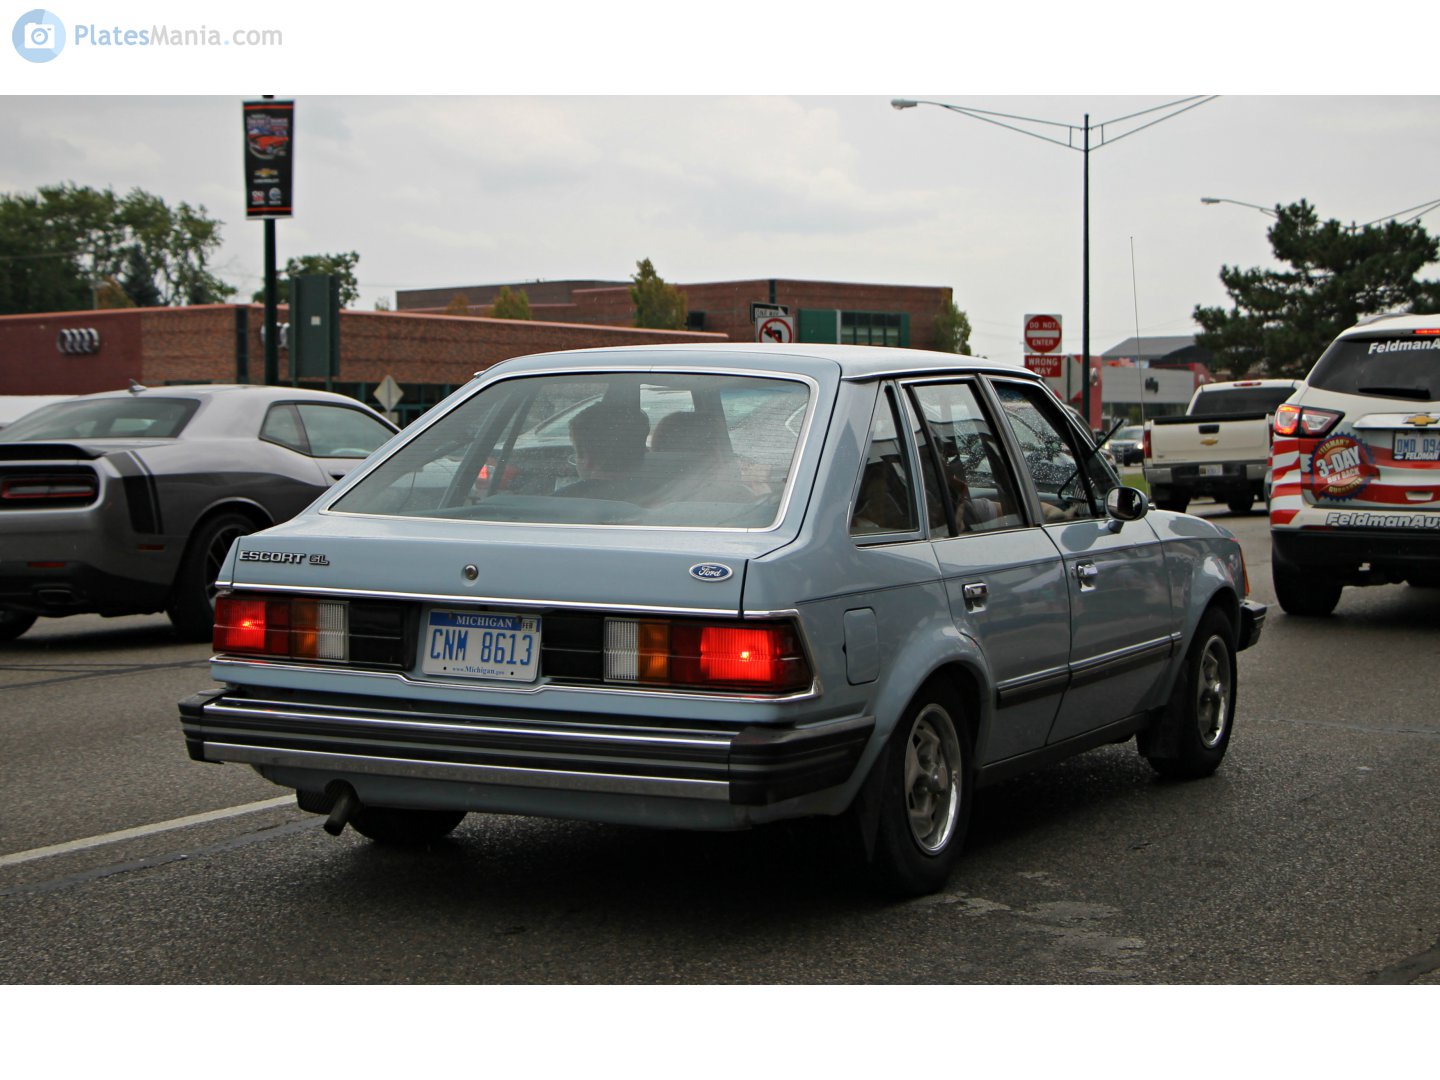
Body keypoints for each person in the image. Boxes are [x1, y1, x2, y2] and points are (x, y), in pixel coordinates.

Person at [558, 402, 651, 501]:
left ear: (587, 460)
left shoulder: (559, 502)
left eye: (576, 454)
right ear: (644, 452)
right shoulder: (663, 497)